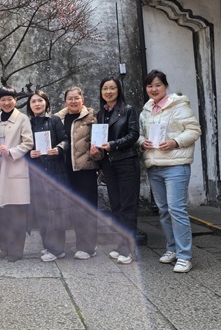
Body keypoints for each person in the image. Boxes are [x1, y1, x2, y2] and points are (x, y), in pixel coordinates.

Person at [138, 70, 201, 273]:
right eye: (150, 86)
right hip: (154, 166)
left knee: (176, 209)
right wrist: (142, 142)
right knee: (164, 210)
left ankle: (185, 256)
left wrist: (175, 142)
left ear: (165, 86)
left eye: (158, 85)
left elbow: (194, 130)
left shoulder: (179, 105)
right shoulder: (146, 109)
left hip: (176, 165)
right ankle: (172, 248)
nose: (154, 89)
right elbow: (140, 134)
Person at [55, 86, 103, 260]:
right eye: (70, 98)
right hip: (65, 170)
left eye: (77, 98)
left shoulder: (92, 117)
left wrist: (97, 152)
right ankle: (81, 244)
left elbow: (100, 142)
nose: (73, 101)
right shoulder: (58, 119)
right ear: (65, 101)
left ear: (83, 99)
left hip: (85, 169)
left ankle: (88, 247)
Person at [96, 76, 140, 265]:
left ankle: (128, 249)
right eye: (105, 88)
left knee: (128, 207)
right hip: (109, 164)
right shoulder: (101, 113)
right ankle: (121, 244)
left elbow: (134, 135)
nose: (108, 92)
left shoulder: (128, 110)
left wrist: (113, 144)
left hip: (126, 162)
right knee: (116, 207)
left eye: (112, 88)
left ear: (119, 90)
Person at [26, 90, 71, 262]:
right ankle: (48, 246)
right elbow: (24, 146)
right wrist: (29, 153)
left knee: (57, 210)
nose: (37, 104)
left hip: (55, 171)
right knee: (42, 211)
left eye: (40, 100)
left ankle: (57, 249)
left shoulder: (54, 120)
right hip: (37, 173)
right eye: (33, 101)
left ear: (46, 103)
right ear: (29, 106)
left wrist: (58, 149)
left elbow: (66, 140)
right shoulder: (28, 123)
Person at [0, 86, 34, 262]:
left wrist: (11, 151)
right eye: (3, 100)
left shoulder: (22, 119)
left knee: (17, 212)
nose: (7, 103)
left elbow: (28, 142)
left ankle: (16, 250)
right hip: (0, 170)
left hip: (17, 169)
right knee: (4, 212)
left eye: (10, 99)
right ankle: (4, 248)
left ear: (15, 100)